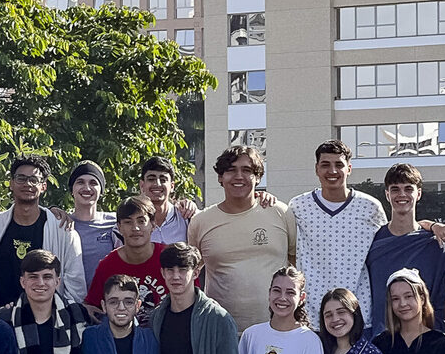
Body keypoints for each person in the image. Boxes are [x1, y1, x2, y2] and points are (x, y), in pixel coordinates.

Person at [186, 145, 296, 339]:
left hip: (276, 330)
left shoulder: (280, 212)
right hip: (221, 333)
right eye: (231, 170)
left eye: (247, 170)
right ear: (220, 177)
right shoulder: (200, 222)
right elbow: (190, 273)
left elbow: (298, 265)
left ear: (258, 177)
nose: (239, 176)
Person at [289, 140, 387, 330]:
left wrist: (428, 225)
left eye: (339, 165)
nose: (332, 171)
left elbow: (391, 241)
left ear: (349, 168)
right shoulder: (298, 206)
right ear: (316, 169)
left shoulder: (370, 207)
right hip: (312, 318)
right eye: (325, 165)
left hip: (358, 314)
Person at [0, 155, 85, 310]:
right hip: (0, 319)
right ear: (11, 183)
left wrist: (68, 317)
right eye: (21, 178)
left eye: (34, 179)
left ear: (43, 186)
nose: (28, 184)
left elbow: (75, 283)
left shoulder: (63, 230)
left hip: (46, 322)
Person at [365, 164, 445, 337]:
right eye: (395, 189)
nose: (402, 195)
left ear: (418, 194)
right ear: (387, 195)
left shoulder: (436, 246)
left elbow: (441, 302)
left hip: (423, 342)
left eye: (408, 189)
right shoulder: (372, 242)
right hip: (381, 340)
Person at [85, 196, 168, 323]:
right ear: (119, 227)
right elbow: (91, 305)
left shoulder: (170, 258)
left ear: (153, 224)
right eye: (128, 222)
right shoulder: (108, 265)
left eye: (141, 221)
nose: (135, 228)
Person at [67, 160, 120, 295]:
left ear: (101, 190)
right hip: (71, 304)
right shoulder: (62, 224)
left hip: (107, 304)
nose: (87, 188)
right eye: (80, 182)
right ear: (72, 190)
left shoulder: (116, 222)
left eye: (93, 183)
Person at [138, 155, 196, 245]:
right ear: (142, 185)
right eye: (151, 179)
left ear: (172, 186)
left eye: (163, 179)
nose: (157, 184)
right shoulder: (132, 222)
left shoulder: (186, 217)